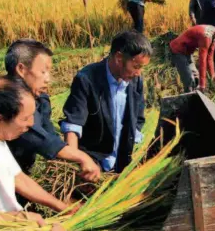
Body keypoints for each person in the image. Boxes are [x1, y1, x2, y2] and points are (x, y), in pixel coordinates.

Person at [0, 39, 100, 181]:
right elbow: (39, 138)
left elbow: (48, 132)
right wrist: (81, 156)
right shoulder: (5, 99)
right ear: (21, 69)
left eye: (49, 72)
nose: (48, 79)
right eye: (43, 71)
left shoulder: (38, 98)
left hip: (17, 175)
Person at [0, 78, 72, 218]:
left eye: (32, 115)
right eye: (25, 118)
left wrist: (62, 207)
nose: (31, 123)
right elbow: (10, 218)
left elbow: (17, 177)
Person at [60, 31, 151, 173]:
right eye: (136, 66)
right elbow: (73, 125)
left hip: (122, 164)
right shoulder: (87, 79)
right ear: (119, 58)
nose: (139, 73)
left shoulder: (135, 80)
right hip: (94, 162)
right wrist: (77, 163)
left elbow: (138, 118)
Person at [169, 25, 215, 92]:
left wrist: (212, 74)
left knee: (196, 77)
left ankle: (196, 94)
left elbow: (210, 57)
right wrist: (202, 84)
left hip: (188, 52)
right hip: (178, 50)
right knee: (189, 80)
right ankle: (189, 97)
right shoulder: (206, 37)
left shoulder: (214, 34)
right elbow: (202, 61)